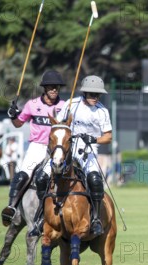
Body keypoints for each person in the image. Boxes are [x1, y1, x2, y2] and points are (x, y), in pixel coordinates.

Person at [37, 75, 113, 236]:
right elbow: (58, 125)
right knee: (41, 178)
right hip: (66, 147)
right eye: (92, 94)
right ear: (84, 93)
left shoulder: (102, 111)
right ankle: (40, 216)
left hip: (88, 149)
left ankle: (95, 219)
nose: (95, 97)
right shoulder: (71, 104)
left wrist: (93, 138)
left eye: (97, 95)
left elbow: (108, 137)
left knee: (95, 179)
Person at [0, 70, 66, 226]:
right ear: (44, 88)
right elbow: (18, 124)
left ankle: (45, 211)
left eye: (56, 87)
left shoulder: (64, 107)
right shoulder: (32, 105)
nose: (54, 90)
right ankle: (11, 207)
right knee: (23, 174)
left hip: (55, 149)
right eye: (51, 87)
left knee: (46, 178)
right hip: (36, 146)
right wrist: (13, 115)